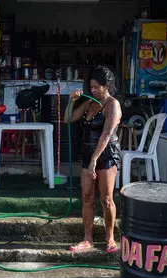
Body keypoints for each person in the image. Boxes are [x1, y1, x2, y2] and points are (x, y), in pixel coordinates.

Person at [64, 66, 122, 253]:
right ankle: (87, 239)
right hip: (88, 154)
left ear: (107, 86)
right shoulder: (89, 103)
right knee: (87, 197)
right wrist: (71, 101)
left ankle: (110, 238)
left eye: (97, 87)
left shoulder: (113, 105)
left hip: (106, 156)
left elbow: (106, 135)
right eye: (92, 87)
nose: (93, 90)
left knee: (106, 199)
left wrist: (94, 161)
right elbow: (68, 119)